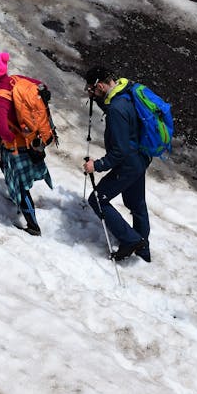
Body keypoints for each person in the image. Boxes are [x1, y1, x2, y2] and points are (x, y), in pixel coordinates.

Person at [82, 67, 152, 261]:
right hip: (141, 158)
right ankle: (143, 251)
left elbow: (119, 151)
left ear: (101, 85)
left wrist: (96, 165)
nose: (91, 90)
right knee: (137, 204)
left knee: (97, 200)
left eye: (93, 88)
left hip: (128, 164)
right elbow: (121, 116)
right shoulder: (124, 92)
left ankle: (130, 240)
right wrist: (96, 99)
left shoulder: (116, 109)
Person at [0, 51, 53, 236]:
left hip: (18, 142)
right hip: (34, 138)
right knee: (3, 161)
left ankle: (33, 226)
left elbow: (2, 130)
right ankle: (19, 196)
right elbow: (43, 86)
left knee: (20, 185)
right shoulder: (17, 79)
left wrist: (11, 143)